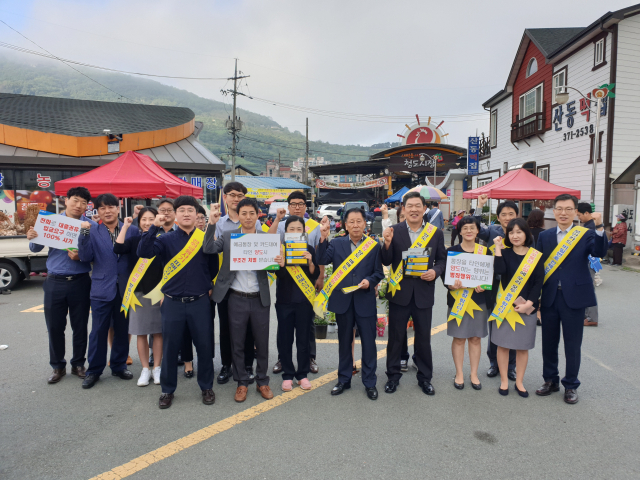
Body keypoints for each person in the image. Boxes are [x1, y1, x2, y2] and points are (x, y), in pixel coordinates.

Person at [137, 195, 218, 409]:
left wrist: (202, 284)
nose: (186, 214)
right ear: (174, 214)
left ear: (197, 214)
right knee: (171, 348)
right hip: (172, 302)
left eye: (190, 210)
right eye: (181, 210)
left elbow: (213, 269)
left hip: (199, 301)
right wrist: (153, 227)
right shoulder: (164, 239)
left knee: (204, 345)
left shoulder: (204, 238)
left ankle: (206, 386)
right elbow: (143, 252)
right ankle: (167, 390)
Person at [535, 194, 607, 404]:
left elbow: (600, 251)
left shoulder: (585, 234)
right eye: (559, 209)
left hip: (574, 297)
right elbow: (538, 269)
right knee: (549, 342)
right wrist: (535, 299)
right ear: (554, 211)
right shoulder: (545, 236)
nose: (563, 213)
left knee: (572, 344)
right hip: (549, 297)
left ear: (576, 212)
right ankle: (550, 380)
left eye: (568, 209)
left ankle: (571, 385)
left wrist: (600, 226)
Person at [204, 198, 274, 403]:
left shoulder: (265, 238)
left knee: (261, 342)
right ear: (239, 215)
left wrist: (278, 260)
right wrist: (211, 223)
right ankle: (242, 382)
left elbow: (274, 267)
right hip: (235, 298)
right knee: (237, 342)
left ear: (258, 215)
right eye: (244, 213)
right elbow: (208, 249)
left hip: (259, 297)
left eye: (252, 213)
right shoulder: (228, 236)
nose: (248, 217)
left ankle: (262, 380)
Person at [381, 191, 446, 396]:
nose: (414, 209)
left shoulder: (435, 233)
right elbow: (385, 260)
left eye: (418, 205)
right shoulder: (394, 230)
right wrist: (387, 243)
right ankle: (392, 376)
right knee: (396, 338)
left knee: (423, 338)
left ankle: (425, 378)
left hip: (423, 293)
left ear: (424, 208)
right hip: (399, 292)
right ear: (403, 209)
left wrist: (435, 271)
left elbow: (443, 260)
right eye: (410, 206)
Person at [27, 187, 94, 384]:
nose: (79, 205)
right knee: (55, 327)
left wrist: (83, 256)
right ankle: (57, 366)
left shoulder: (90, 225)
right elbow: (35, 247)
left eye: (83, 202)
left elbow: (95, 254)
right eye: (75, 200)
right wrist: (32, 235)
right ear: (66, 200)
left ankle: (78, 364)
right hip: (54, 281)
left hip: (81, 281)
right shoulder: (51, 222)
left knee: (80, 326)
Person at [316, 208, 384, 400]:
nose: (355, 225)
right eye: (351, 222)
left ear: (365, 224)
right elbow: (322, 259)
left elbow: (378, 272)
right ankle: (344, 379)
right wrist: (323, 237)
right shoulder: (336, 243)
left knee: (369, 344)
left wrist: (370, 281)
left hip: (365, 300)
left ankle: (370, 382)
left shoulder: (374, 245)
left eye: (359, 221)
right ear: (345, 225)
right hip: (343, 301)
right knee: (345, 343)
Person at [79, 193, 137, 389]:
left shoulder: (132, 230)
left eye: (110, 207)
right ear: (97, 211)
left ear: (118, 207)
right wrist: (84, 234)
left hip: (125, 288)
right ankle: (94, 370)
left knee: (122, 330)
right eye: (102, 208)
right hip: (101, 288)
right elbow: (86, 257)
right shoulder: (92, 231)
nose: (107, 211)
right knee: (98, 331)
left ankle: (119, 365)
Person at [213, 182, 266, 385]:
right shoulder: (219, 223)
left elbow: (263, 251)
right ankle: (227, 366)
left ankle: (246, 366)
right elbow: (211, 251)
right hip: (226, 283)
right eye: (232, 195)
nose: (236, 198)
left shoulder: (255, 224)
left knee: (249, 330)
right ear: (225, 197)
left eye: (240, 195)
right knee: (227, 328)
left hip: (248, 285)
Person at [270, 191, 326, 375]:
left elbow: (319, 257)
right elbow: (268, 243)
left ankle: (310, 358)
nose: (297, 206)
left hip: (306, 285)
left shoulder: (314, 226)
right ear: (288, 206)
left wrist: (320, 277)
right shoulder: (281, 225)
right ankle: (282, 359)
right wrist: (277, 221)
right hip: (286, 285)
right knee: (284, 328)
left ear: (305, 206)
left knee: (306, 325)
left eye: (301, 203)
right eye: (293, 203)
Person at [492, 218, 544, 397]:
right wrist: (498, 248)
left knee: (522, 347)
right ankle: (504, 381)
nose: (515, 236)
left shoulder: (535, 255)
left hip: (526, 307)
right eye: (511, 232)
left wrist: (529, 303)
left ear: (526, 234)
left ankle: (520, 382)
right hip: (505, 306)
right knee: (503, 345)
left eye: (519, 232)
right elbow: (499, 271)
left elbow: (538, 282)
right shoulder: (505, 253)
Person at [114, 208, 164, 386]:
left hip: (158, 292)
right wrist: (126, 227)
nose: (147, 222)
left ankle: (157, 368)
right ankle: (145, 369)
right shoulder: (135, 238)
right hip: (137, 292)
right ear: (139, 221)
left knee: (159, 332)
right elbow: (118, 247)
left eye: (151, 219)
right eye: (144, 219)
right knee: (141, 332)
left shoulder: (162, 238)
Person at [443, 216, 491, 391]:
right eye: (465, 228)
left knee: (476, 338)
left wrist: (484, 286)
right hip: (457, 300)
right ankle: (459, 373)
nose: (469, 231)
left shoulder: (484, 252)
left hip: (478, 301)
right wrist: (450, 284)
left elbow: (491, 276)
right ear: (460, 231)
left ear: (478, 230)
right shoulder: (452, 251)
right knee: (459, 338)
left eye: (472, 228)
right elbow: (445, 276)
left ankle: (474, 373)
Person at [474, 194, 517, 380]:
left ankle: (511, 366)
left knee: (514, 326)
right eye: (504, 214)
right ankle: (493, 363)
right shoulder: (492, 232)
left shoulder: (522, 233)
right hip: (493, 285)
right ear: (498, 217)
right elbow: (475, 229)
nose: (507, 217)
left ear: (517, 215)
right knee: (494, 324)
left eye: (511, 214)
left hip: (515, 286)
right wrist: (479, 207)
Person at [274, 216, 319, 391]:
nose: (294, 232)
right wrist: (282, 264)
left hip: (304, 302)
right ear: (286, 232)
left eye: (298, 229)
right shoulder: (281, 249)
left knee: (303, 339)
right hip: (284, 301)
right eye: (291, 229)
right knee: (285, 340)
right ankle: (287, 374)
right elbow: (279, 276)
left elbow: (314, 275)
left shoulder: (308, 249)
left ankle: (302, 374)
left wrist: (310, 262)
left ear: (304, 231)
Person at [576, 203, 600, 327]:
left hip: (589, 261)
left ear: (586, 213)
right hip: (590, 261)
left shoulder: (590, 227)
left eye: (579, 215)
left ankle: (592, 318)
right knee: (586, 288)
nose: (578, 217)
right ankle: (587, 315)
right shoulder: (589, 225)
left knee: (589, 289)